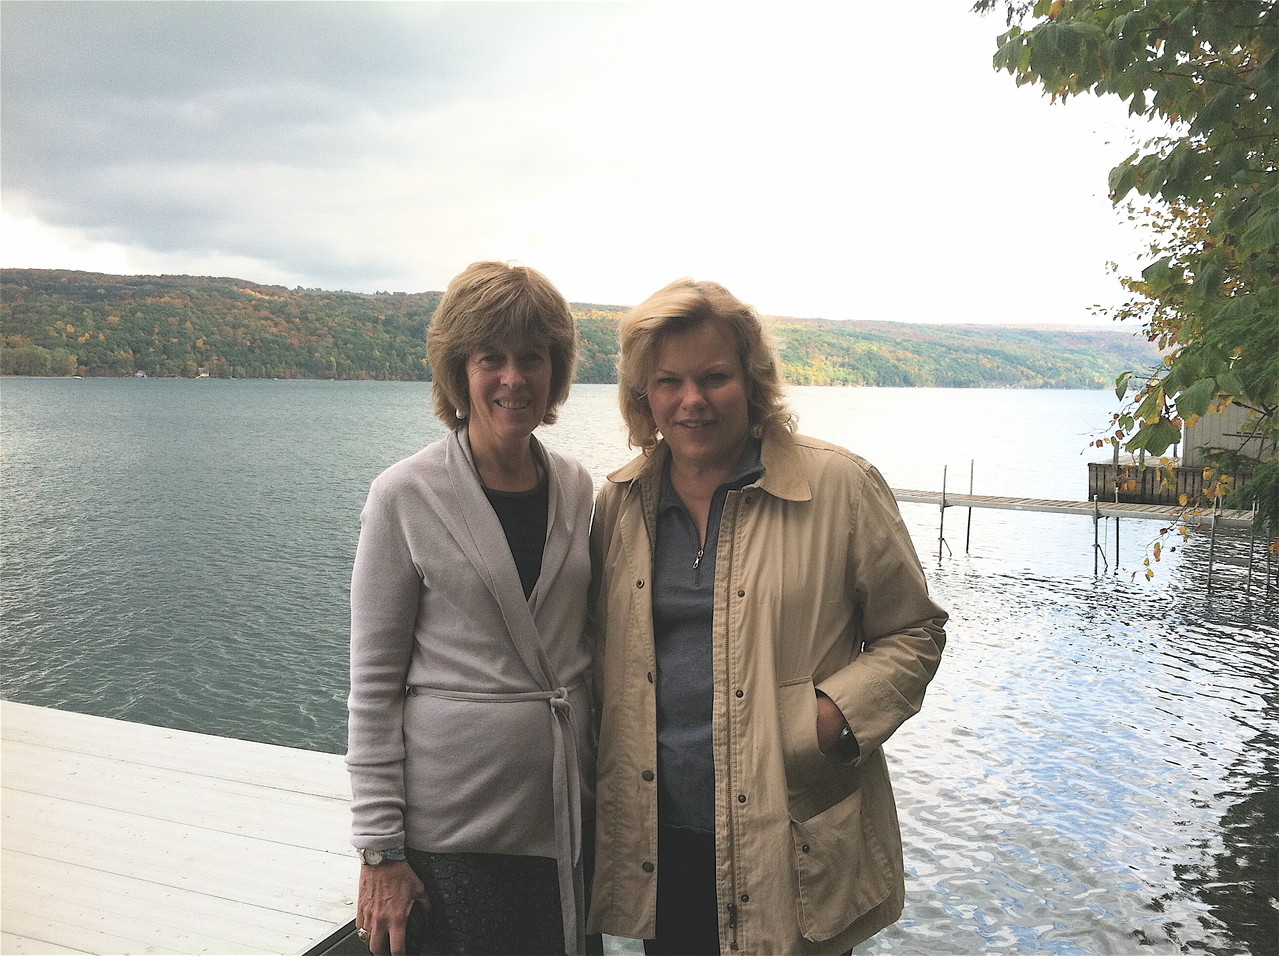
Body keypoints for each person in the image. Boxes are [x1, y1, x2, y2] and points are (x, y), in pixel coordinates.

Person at [586, 279, 948, 955]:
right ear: (644, 396)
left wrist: (830, 715)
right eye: (668, 381)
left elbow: (914, 632)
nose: (691, 400)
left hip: (787, 834)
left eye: (714, 377)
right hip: (661, 844)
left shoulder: (836, 486)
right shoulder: (620, 502)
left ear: (751, 382)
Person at [347, 261, 595, 956]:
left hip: (563, 821)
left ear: (556, 372)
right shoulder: (404, 495)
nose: (512, 379)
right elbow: (372, 688)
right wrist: (379, 852)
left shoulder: (578, 489)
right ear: (459, 371)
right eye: (491, 358)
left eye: (532, 358)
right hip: (451, 836)